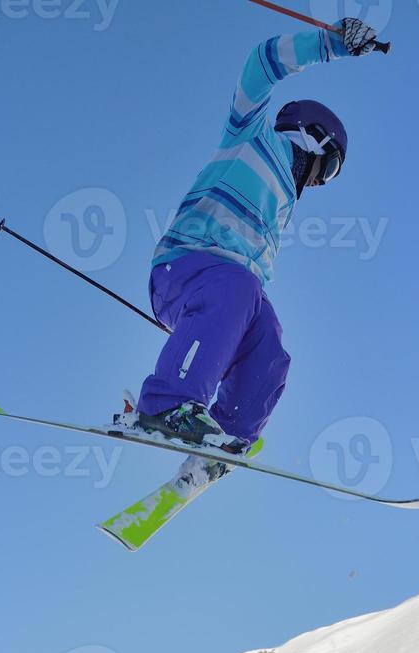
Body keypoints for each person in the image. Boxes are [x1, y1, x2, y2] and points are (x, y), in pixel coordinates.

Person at [132, 18, 383, 457]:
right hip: (184, 267)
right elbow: (260, 65)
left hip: (229, 294)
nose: (322, 181)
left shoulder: (283, 202)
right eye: (331, 167)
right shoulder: (250, 136)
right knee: (239, 287)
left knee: (269, 346)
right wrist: (330, 43)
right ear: (315, 136)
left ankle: (225, 441)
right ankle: (167, 404)